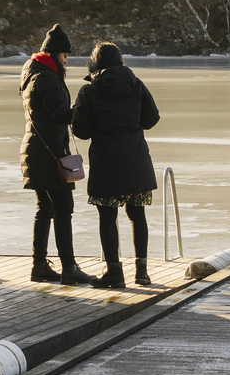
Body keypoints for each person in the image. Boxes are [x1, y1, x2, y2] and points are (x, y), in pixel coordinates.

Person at [72, 41, 162, 289]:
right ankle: (142, 273)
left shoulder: (88, 91)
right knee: (137, 214)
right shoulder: (136, 84)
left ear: (95, 62)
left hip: (106, 162)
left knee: (107, 217)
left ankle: (114, 273)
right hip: (136, 160)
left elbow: (81, 131)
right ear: (120, 60)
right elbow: (152, 119)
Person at [21, 24, 98, 285]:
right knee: (63, 209)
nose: (67, 60)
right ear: (54, 54)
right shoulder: (46, 77)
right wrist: (81, 107)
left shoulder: (35, 73)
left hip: (35, 150)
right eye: (65, 55)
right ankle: (69, 267)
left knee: (45, 209)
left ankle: (39, 266)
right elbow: (58, 115)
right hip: (48, 153)